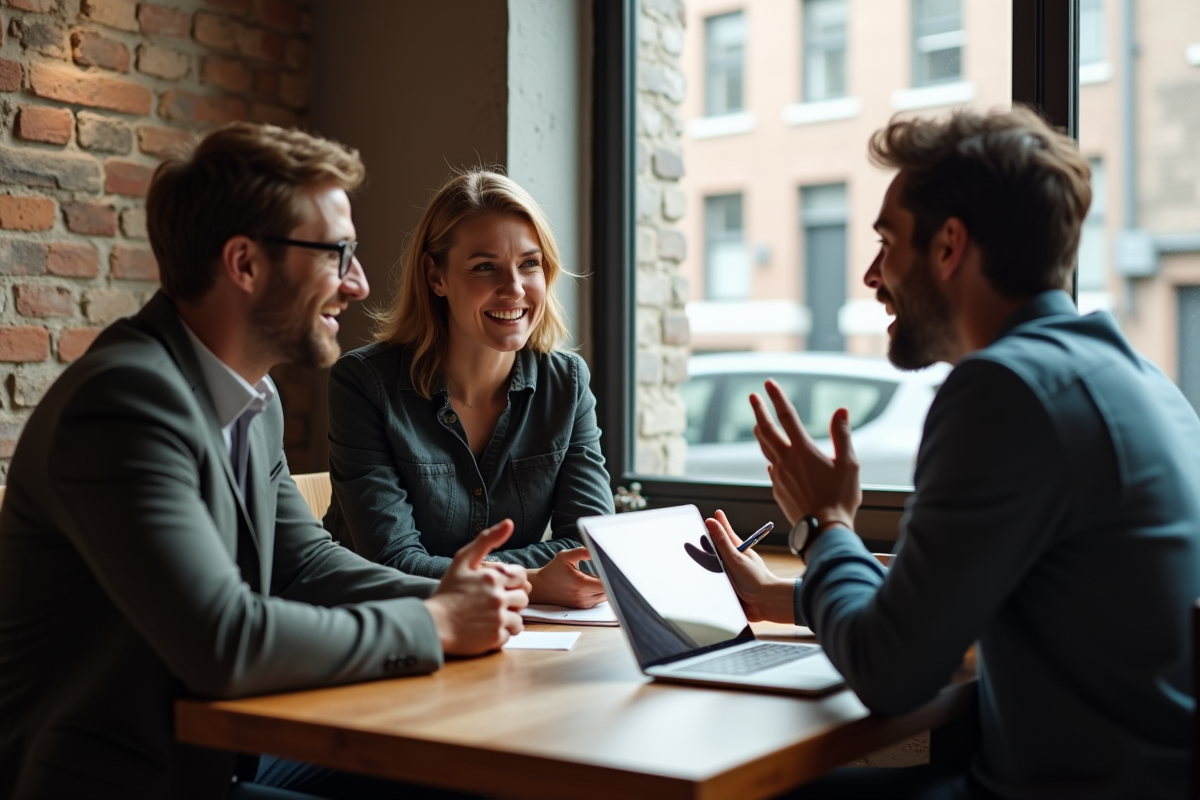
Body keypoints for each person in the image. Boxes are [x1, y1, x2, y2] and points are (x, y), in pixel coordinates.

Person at [0, 123, 529, 800]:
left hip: (223, 753)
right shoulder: (123, 405)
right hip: (128, 778)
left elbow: (302, 564)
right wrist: (437, 623)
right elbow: (225, 643)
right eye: (337, 254)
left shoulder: (254, 398)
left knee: (465, 775)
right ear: (245, 264)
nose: (359, 283)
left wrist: (460, 598)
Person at [706, 107, 1200, 800]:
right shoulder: (1140, 379)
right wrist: (785, 596)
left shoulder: (1005, 389)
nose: (871, 275)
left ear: (948, 247)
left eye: (887, 242)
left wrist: (823, 525)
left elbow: (890, 674)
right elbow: (964, 596)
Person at [324, 169, 614, 609]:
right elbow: (392, 562)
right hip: (385, 627)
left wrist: (495, 577)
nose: (513, 289)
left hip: (508, 631)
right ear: (435, 276)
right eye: (484, 267)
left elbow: (592, 551)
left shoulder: (567, 383)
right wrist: (532, 580)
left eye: (529, 264)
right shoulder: (364, 383)